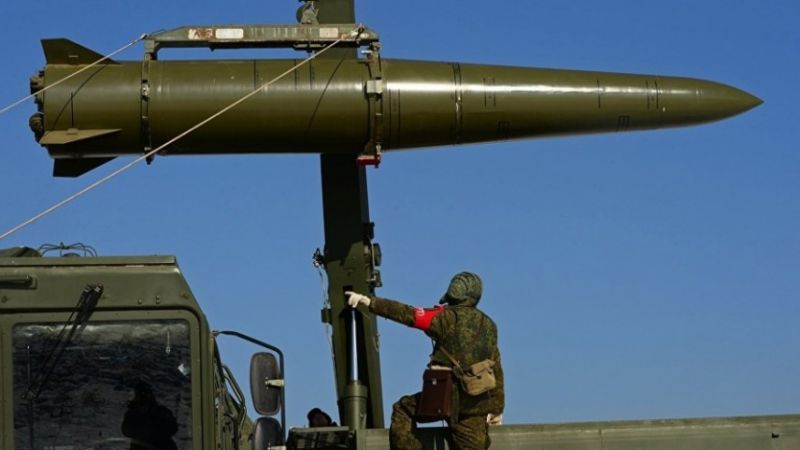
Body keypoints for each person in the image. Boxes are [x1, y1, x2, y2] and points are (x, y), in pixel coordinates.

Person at [346, 272, 504, 450]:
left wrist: (369, 302)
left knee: (403, 409)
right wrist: (497, 409)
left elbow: (407, 314)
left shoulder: (443, 317)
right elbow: (496, 368)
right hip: (475, 404)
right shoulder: (490, 326)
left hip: (442, 397)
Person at [121, 381, 178, 450]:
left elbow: (172, 428)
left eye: (134, 395)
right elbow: (126, 430)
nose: (132, 399)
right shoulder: (132, 413)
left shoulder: (161, 411)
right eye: (132, 396)